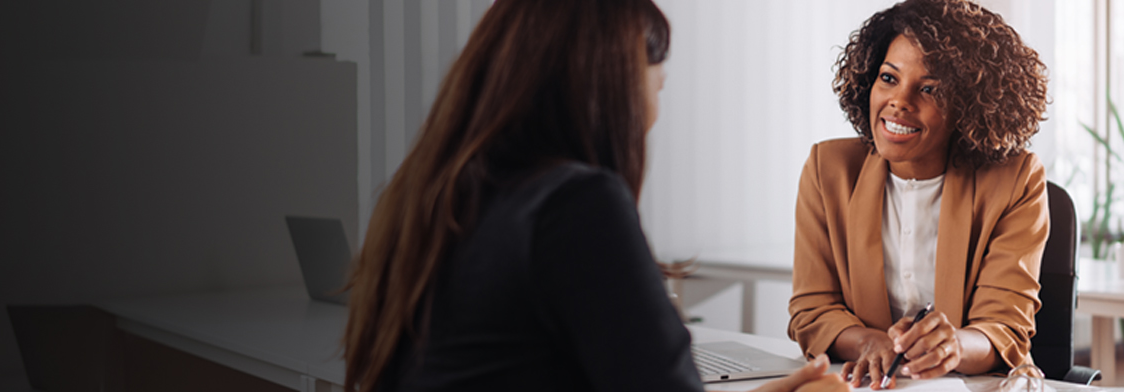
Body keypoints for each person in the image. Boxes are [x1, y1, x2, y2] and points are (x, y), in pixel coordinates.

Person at [339, 1, 848, 391]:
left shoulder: (429, 196)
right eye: (658, 86)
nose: (653, 113)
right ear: (611, 85)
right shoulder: (576, 208)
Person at [788, 0, 1052, 389]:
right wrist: (869, 342)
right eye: (889, 78)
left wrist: (955, 346)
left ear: (969, 106)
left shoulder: (1016, 179)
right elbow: (812, 310)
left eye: (929, 89)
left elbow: (1004, 326)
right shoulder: (828, 169)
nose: (899, 102)